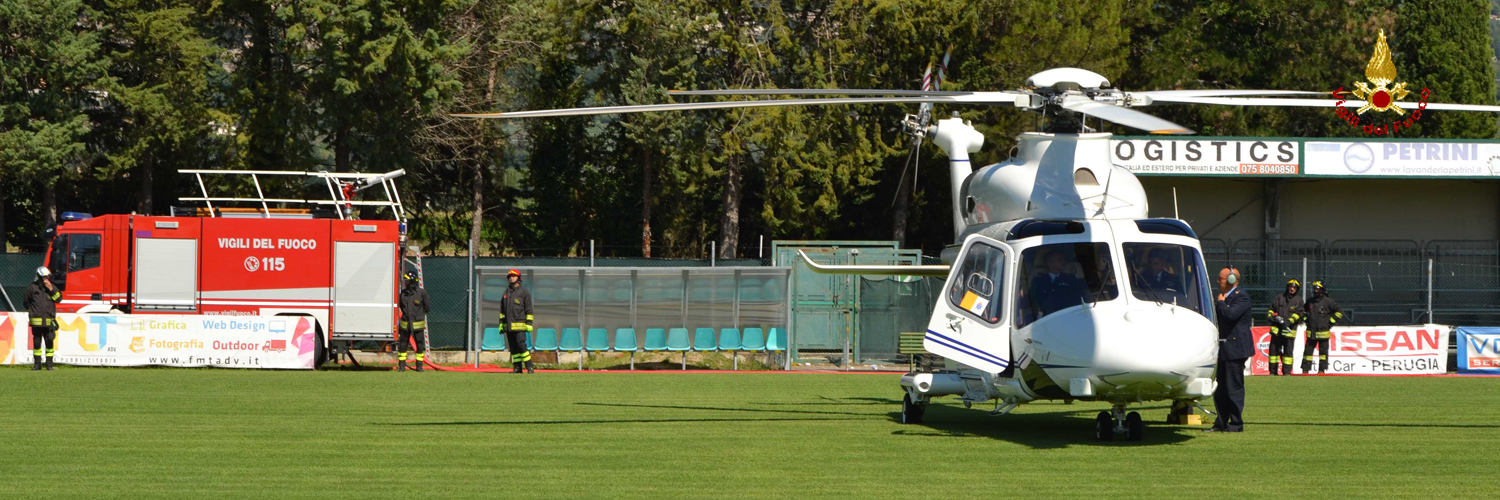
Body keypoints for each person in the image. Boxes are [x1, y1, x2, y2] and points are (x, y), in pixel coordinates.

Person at [1209, 267, 1251, 432]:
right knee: (1220, 389)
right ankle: (1220, 422)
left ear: (1231, 280)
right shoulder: (1226, 297)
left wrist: (1220, 303)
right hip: (1224, 348)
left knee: (1233, 387)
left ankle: (1236, 423)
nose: (1218, 281)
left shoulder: (1241, 297)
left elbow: (1230, 315)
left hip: (1236, 349)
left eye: (1220, 278)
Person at [1301, 281, 1344, 375]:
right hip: (1311, 332)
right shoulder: (1310, 301)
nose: (1315, 291)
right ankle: (1305, 370)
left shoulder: (1328, 302)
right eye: (1314, 289)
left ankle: (1321, 370)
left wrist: (1330, 323)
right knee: (1307, 353)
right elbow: (1302, 311)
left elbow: (1339, 312)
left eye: (1317, 289)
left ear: (1322, 290)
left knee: (1323, 353)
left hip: (1323, 332)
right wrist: (1306, 319)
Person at [1029, 250, 1089, 317]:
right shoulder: (1038, 281)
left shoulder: (1070, 278)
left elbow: (1079, 299)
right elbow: (1033, 303)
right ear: (1050, 263)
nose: (1063, 261)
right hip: (1046, 319)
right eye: (1059, 259)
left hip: (1070, 315)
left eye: (1063, 259)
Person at [24, 266, 61, 371]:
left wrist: (51, 289)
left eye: (47, 277)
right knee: (37, 343)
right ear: (39, 277)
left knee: (49, 342)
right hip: (36, 321)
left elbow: (58, 299)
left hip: (49, 321)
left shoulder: (51, 287)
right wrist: (33, 312)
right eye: (44, 277)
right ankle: (37, 364)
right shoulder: (31, 288)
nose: (47, 279)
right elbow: (26, 302)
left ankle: (49, 365)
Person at [499, 269, 536, 374]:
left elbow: (529, 309)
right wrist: (501, 323)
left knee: (521, 345)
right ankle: (517, 368)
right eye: (510, 276)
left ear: (518, 278)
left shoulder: (524, 292)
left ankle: (529, 367)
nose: (511, 278)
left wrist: (529, 324)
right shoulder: (506, 293)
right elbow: (502, 310)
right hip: (509, 326)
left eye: (514, 276)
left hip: (520, 326)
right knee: (513, 348)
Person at [1265, 279, 1303, 376]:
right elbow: (1271, 310)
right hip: (1276, 330)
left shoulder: (1299, 300)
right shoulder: (1279, 297)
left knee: (1288, 353)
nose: (1292, 289)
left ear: (1297, 289)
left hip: (1289, 331)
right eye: (1291, 287)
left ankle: (1286, 372)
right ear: (1287, 287)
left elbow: (1299, 314)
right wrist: (1272, 317)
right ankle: (1272, 372)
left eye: (1294, 288)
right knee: (1274, 352)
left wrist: (1289, 321)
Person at [396, 271, 430, 372]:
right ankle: (402, 366)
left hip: (417, 324)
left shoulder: (422, 293)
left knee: (419, 344)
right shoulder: (403, 294)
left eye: (407, 280)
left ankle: (419, 366)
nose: (405, 282)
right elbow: (401, 306)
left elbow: (427, 307)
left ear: (411, 282)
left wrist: (419, 316)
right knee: (403, 344)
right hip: (405, 324)